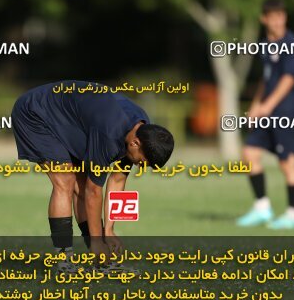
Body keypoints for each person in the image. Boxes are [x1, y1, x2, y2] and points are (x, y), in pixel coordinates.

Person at [11, 80, 174, 264]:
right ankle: (64, 261)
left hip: (68, 120)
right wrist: (98, 241)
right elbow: (94, 191)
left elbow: (118, 179)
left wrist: (109, 230)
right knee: (66, 182)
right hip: (36, 113)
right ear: (135, 143)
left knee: (81, 186)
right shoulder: (110, 134)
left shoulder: (142, 129)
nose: (140, 166)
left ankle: (100, 260)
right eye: (142, 162)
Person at [236, 0, 294, 229]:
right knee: (249, 153)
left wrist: (268, 106)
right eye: (272, 16)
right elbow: (266, 80)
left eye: (281, 15)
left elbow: (288, 79)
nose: (277, 21)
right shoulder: (266, 44)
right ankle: (262, 208)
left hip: (286, 113)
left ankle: (293, 216)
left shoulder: (292, 43)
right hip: (266, 113)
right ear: (264, 19)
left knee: (287, 164)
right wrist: (256, 105)